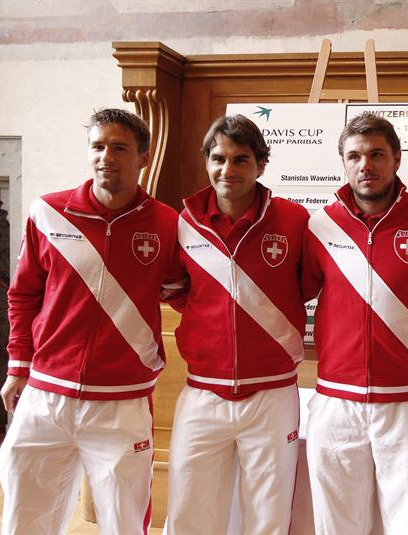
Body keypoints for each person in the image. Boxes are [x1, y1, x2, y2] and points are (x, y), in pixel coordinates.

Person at [0, 108, 182, 534]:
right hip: (46, 395)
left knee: (124, 522)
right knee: (25, 518)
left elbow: (184, 291)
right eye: (98, 147)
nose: (106, 157)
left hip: (123, 401)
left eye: (120, 148)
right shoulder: (48, 212)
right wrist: (17, 366)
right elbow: (23, 294)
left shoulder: (168, 223)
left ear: (143, 157)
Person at [302, 111, 408, 534]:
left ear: (397, 158)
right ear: (344, 163)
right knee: (336, 523)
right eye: (354, 156)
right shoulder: (320, 225)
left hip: (406, 401)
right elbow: (292, 296)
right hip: (336, 400)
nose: (365, 165)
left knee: (407, 523)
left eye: (376, 154)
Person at [163, 114, 308, 534]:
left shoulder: (294, 220)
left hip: (272, 393)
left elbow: (308, 284)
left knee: (268, 514)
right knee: (190, 510)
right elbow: (176, 288)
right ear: (206, 162)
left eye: (241, 159)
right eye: (218, 158)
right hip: (202, 391)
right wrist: (210, 320)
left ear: (260, 165)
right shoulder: (183, 223)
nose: (228, 169)